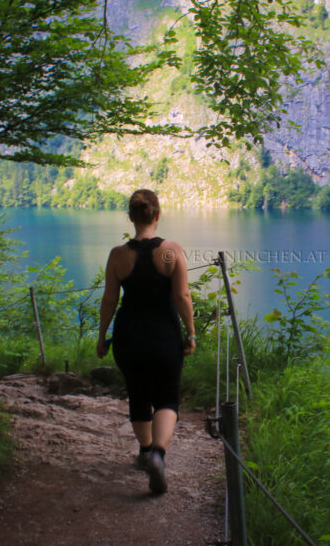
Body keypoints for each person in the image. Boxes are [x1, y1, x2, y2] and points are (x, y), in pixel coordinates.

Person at [97, 189, 196, 494]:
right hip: (165, 335)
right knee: (167, 398)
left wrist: (102, 337)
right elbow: (182, 296)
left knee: (138, 394)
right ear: (157, 215)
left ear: (131, 217)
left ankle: (145, 451)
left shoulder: (117, 255)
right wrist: (191, 332)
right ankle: (159, 455)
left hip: (128, 337)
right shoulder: (172, 251)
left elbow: (110, 300)